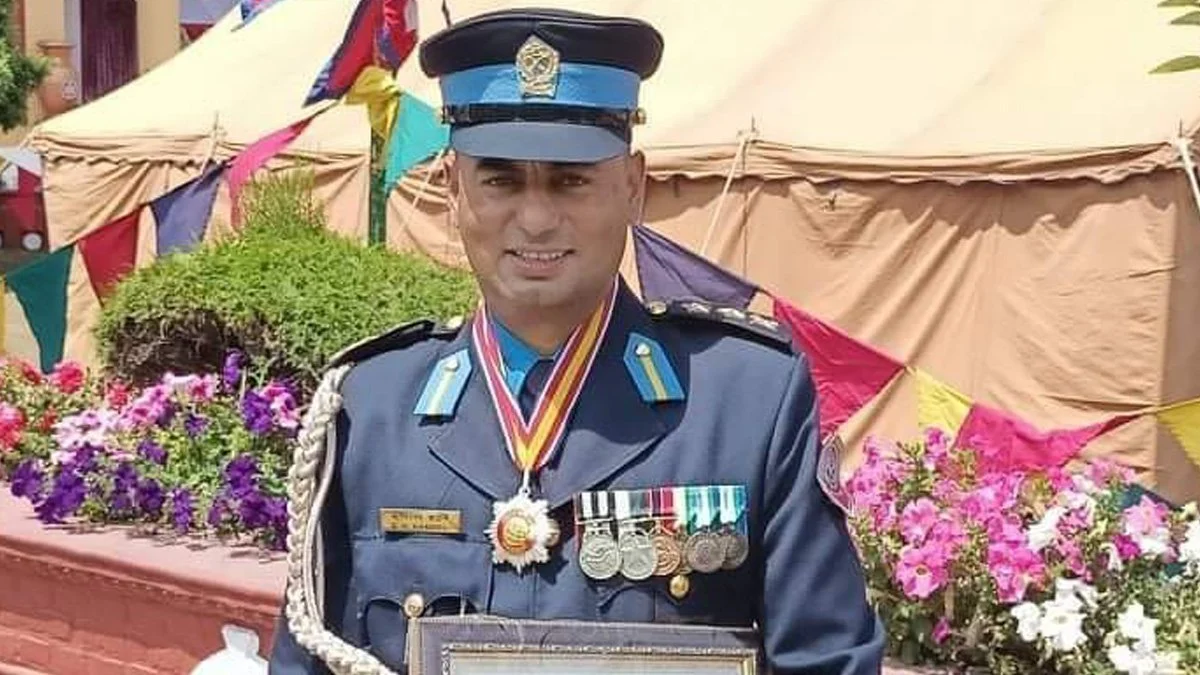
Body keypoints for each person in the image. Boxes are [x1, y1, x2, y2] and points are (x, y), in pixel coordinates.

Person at [268, 8, 885, 675]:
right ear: (452, 188)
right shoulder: (368, 409)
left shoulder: (748, 404)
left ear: (632, 187)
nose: (536, 218)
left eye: (571, 178)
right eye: (501, 179)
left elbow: (828, 662)